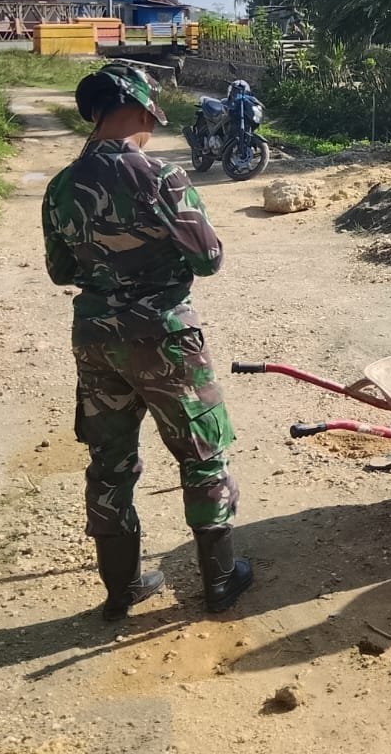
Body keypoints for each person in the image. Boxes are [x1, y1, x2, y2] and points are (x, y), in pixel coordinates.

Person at [42, 62, 253, 620]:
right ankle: (220, 582)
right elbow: (207, 259)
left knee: (109, 464)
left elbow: (61, 272)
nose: (151, 129)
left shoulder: (61, 186)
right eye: (151, 119)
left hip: (95, 343)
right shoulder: (161, 177)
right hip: (164, 339)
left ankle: (122, 590)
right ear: (138, 110)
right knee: (201, 454)